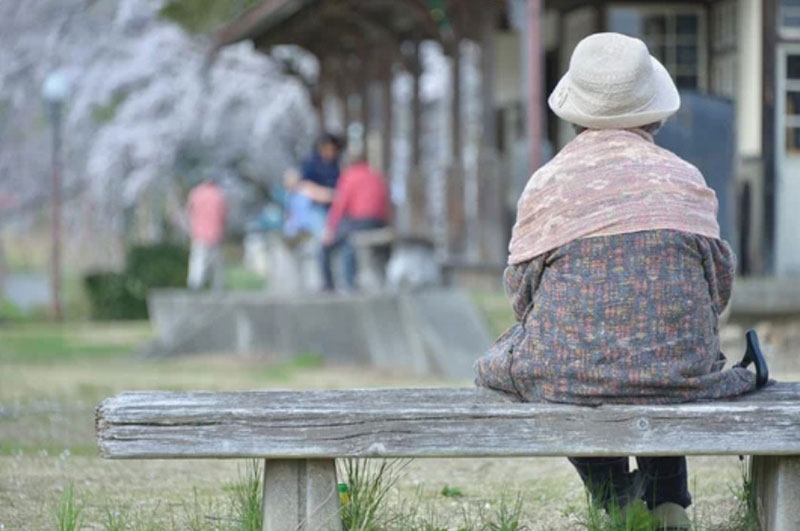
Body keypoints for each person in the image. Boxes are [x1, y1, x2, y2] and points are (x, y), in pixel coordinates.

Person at [473, 33, 767, 529]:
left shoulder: (547, 182)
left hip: (570, 372)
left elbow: (521, 293)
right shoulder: (686, 177)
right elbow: (717, 288)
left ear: (575, 111)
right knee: (659, 359)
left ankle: (613, 497)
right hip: (678, 372)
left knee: (543, 367)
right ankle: (666, 494)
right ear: (654, 109)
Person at [320, 155, 391, 291]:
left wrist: (330, 229)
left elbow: (340, 206)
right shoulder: (376, 175)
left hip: (359, 221)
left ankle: (332, 285)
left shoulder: (349, 176)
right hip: (379, 222)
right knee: (349, 241)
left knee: (327, 247)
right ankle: (353, 282)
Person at [186, 177, 227, 290]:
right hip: (216, 233)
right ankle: (217, 286)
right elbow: (223, 216)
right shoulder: (219, 195)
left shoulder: (196, 193)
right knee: (216, 263)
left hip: (199, 233)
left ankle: (195, 284)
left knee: (198, 260)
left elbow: (189, 212)